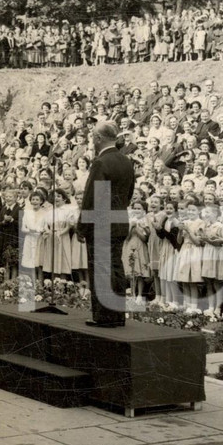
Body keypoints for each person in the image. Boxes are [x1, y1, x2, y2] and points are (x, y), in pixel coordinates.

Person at [77, 121, 136, 326]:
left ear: (99, 138)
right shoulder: (126, 161)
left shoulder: (101, 162)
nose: (92, 140)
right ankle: (117, 315)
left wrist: (82, 226)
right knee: (116, 267)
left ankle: (103, 316)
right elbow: (128, 194)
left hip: (101, 224)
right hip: (119, 220)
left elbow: (91, 197)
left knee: (100, 269)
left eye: (93, 136)